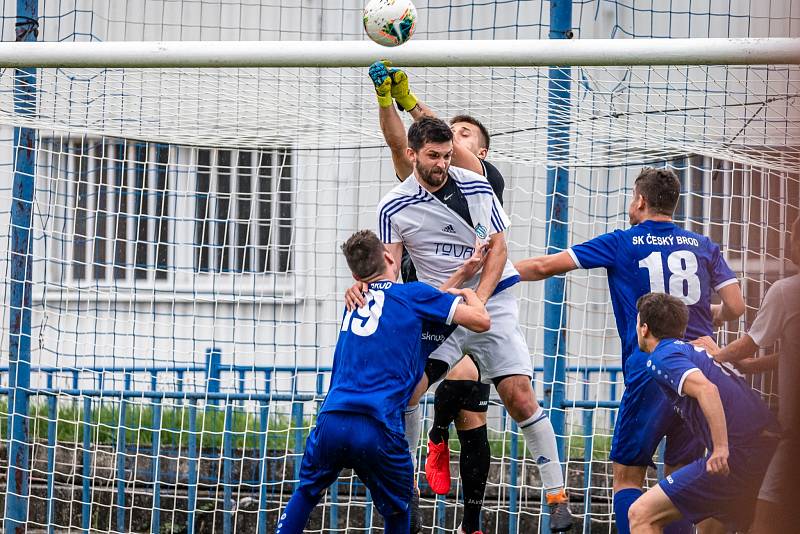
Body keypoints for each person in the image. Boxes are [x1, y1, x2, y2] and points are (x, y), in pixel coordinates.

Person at [513, 167, 745, 534]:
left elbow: (544, 265)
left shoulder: (621, 241)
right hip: (697, 369)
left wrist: (492, 274)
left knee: (626, 478)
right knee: (678, 482)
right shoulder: (703, 245)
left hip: (652, 371)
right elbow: (736, 305)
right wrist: (707, 318)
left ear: (640, 200)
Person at [373, 115, 574, 532]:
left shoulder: (480, 186)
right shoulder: (393, 205)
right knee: (409, 390)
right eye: (434, 156)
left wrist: (478, 301)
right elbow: (390, 275)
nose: (443, 164)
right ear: (412, 155)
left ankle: (557, 499)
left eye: (449, 155)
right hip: (441, 307)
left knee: (519, 396)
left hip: (491, 302)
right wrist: (365, 288)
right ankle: (407, 483)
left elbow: (500, 249)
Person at [367, 60, 506, 534]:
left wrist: (411, 101)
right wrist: (391, 100)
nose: (453, 143)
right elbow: (401, 142)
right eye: (449, 135)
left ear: (476, 151)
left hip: (474, 296)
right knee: (420, 387)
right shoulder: (404, 192)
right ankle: (412, 474)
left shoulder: (483, 182)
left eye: (463, 136)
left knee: (473, 402)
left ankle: (466, 506)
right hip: (425, 297)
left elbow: (435, 136)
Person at [275, 229, 490, 534]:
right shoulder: (412, 296)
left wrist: (461, 272)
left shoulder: (355, 302)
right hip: (378, 427)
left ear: (355, 275)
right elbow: (480, 320)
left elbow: (417, 303)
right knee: (399, 512)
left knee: (307, 493)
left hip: (331, 422)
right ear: (390, 256)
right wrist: (469, 290)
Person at [627, 292, 780, 533]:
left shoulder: (662, 355)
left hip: (741, 455)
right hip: (767, 449)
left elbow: (707, 390)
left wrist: (719, 448)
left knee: (641, 514)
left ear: (644, 329)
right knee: (710, 527)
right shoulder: (698, 352)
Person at [692, 215, 800, 532]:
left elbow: (749, 343)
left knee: (764, 521)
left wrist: (717, 355)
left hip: (793, 438)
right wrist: (753, 368)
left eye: (792, 236)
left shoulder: (786, 291)